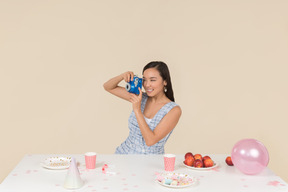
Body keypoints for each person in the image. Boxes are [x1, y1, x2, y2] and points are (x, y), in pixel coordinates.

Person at [103, 61, 181, 154]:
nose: (147, 85)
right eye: (144, 79)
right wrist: (122, 76)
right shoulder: (141, 97)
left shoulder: (173, 110)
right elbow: (108, 87)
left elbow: (150, 141)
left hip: (150, 163)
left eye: (152, 80)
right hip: (123, 155)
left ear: (165, 81)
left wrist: (137, 110)